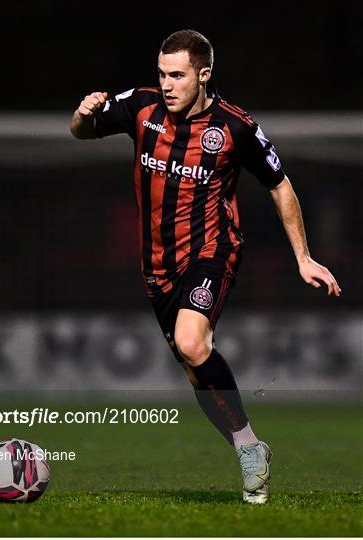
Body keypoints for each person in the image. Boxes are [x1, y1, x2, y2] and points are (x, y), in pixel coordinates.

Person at [70, 29, 341, 504]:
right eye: (162, 73)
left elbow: (279, 185)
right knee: (197, 370)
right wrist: (82, 115)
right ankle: (250, 445)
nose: (167, 83)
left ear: (203, 75)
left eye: (177, 75)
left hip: (212, 250)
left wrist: (303, 256)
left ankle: (248, 451)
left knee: (194, 343)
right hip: (156, 264)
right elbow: (84, 132)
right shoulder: (142, 107)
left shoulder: (235, 127)